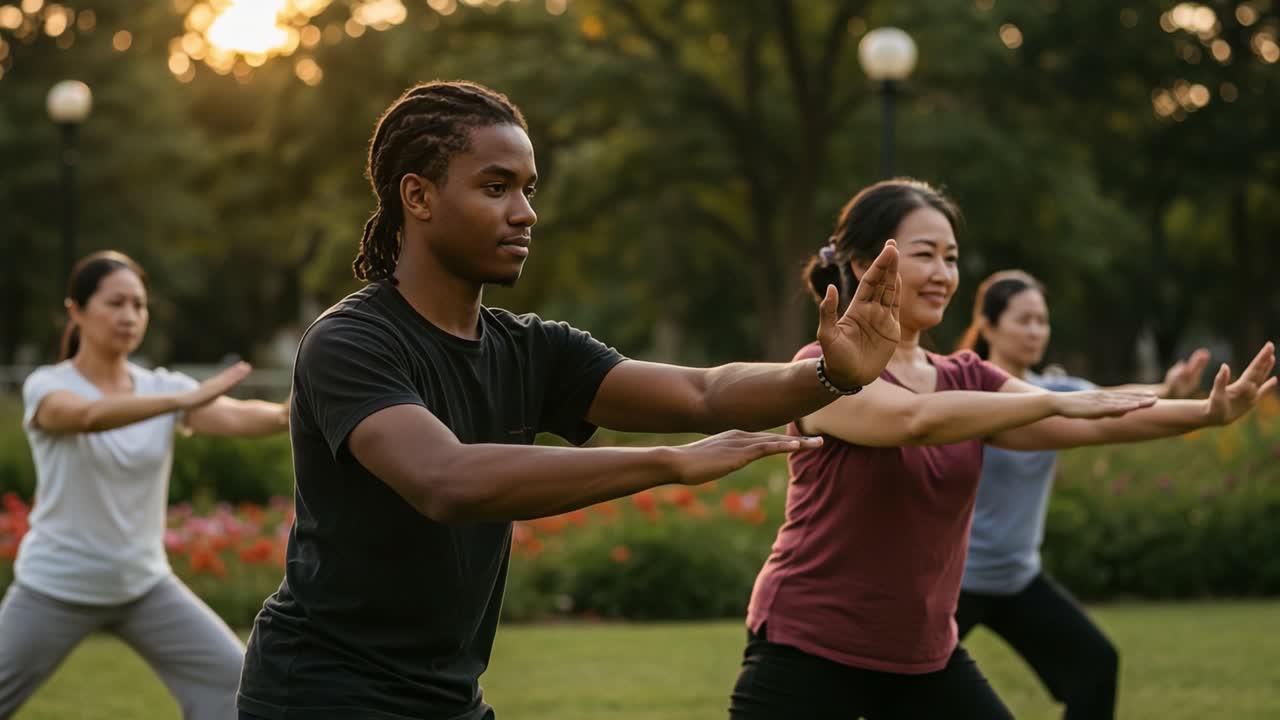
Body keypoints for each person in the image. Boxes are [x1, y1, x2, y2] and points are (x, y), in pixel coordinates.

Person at [236, 80, 906, 720]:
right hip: (323, 693)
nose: (525, 212)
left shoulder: (533, 349)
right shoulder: (350, 342)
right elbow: (445, 480)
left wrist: (830, 376)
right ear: (418, 196)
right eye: (495, 188)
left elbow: (703, 391)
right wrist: (667, 464)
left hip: (446, 697)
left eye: (528, 190)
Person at [729, 179, 1276, 719]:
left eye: (952, 257)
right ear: (861, 265)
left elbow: (1094, 424)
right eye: (926, 255)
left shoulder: (967, 375)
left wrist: (1206, 413)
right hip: (809, 647)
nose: (943, 274)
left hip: (921, 657)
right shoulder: (821, 370)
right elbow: (912, 420)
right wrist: (1051, 403)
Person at [0, 250, 290, 719]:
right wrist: (181, 399)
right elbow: (86, 416)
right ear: (76, 310)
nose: (129, 316)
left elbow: (245, 417)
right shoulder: (47, 385)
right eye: (115, 303)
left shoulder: (160, 388)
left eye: (138, 305)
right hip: (55, 587)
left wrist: (294, 408)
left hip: (144, 587)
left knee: (237, 684)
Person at [953, 269, 1209, 720]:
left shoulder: (1058, 392)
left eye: (1042, 321)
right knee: (897, 686)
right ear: (988, 325)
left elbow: (1109, 402)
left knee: (1095, 666)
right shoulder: (961, 391)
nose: (1036, 331)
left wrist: (1171, 392)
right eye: (1024, 320)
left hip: (1017, 578)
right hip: (954, 581)